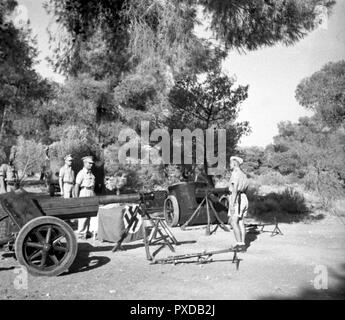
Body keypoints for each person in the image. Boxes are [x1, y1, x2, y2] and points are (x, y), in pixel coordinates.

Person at [228, 156, 249, 250]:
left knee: (233, 221)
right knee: (240, 222)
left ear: (235, 163)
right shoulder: (243, 174)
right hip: (244, 197)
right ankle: (242, 244)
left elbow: (235, 189)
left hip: (238, 199)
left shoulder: (235, 173)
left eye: (230, 163)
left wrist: (232, 204)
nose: (229, 165)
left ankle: (239, 244)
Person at [75, 156, 96, 239]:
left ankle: (87, 232)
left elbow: (93, 186)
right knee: (83, 214)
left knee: (90, 213)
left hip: (91, 192)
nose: (91, 165)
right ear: (85, 163)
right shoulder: (81, 173)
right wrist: (76, 199)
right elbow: (77, 186)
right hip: (84, 192)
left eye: (92, 163)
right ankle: (81, 233)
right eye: (89, 163)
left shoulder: (91, 174)